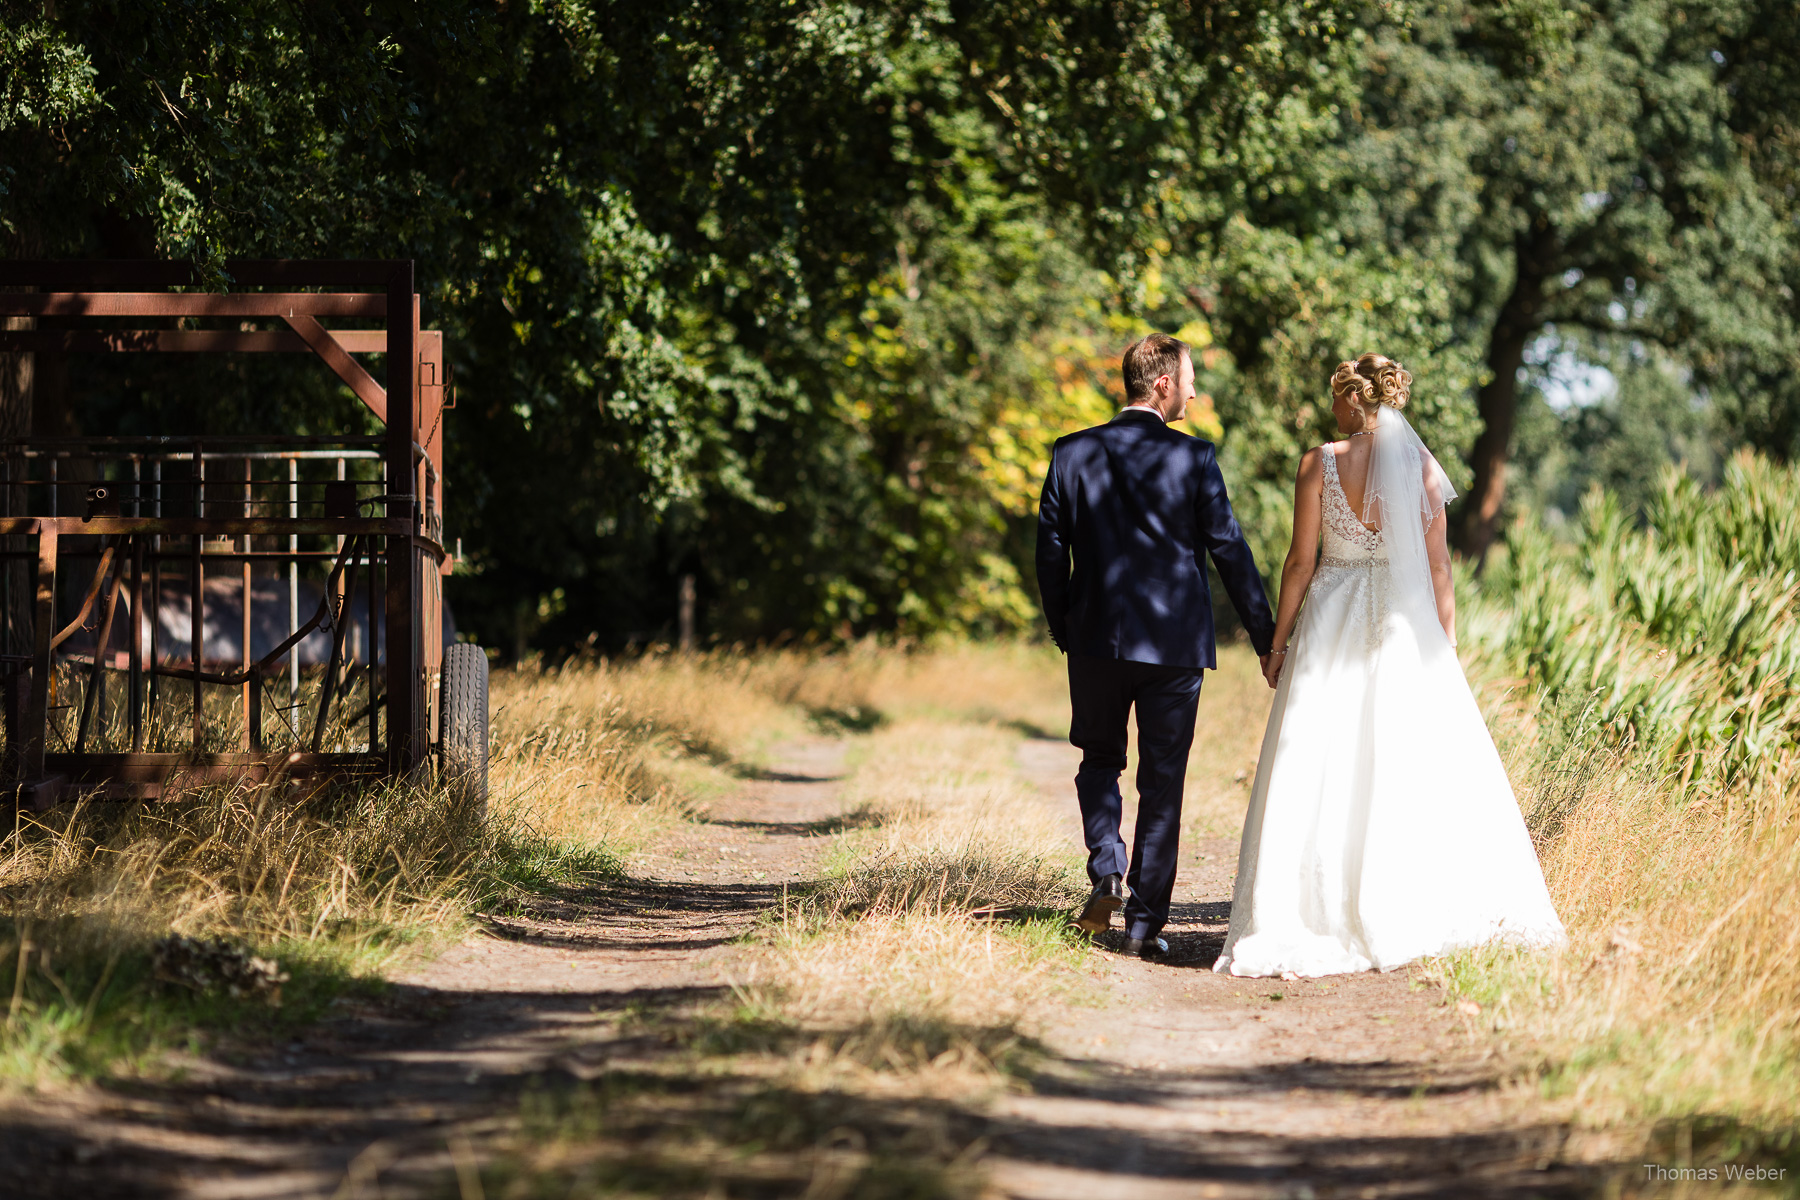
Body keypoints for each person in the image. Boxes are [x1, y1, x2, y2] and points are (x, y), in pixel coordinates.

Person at [1214, 353, 1568, 978]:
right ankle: (1409, 899)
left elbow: (1299, 562)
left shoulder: (1318, 464)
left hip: (1331, 617)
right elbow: (1438, 569)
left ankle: (1311, 911)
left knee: (1321, 755)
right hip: (1405, 626)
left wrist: (1276, 642)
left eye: (1335, 396)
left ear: (1353, 399)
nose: (1330, 407)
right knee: (1401, 759)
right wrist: (1444, 647)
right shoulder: (1425, 470)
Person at [1036, 332, 1277, 958]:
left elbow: (1049, 550)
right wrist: (1266, 636)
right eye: (1190, 378)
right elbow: (1229, 550)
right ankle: (1144, 926)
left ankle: (1106, 870)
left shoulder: (1070, 453)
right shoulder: (1193, 460)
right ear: (1163, 382)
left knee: (1098, 759)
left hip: (1094, 640)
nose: (1195, 390)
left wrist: (1065, 624)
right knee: (1163, 780)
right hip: (1174, 647)